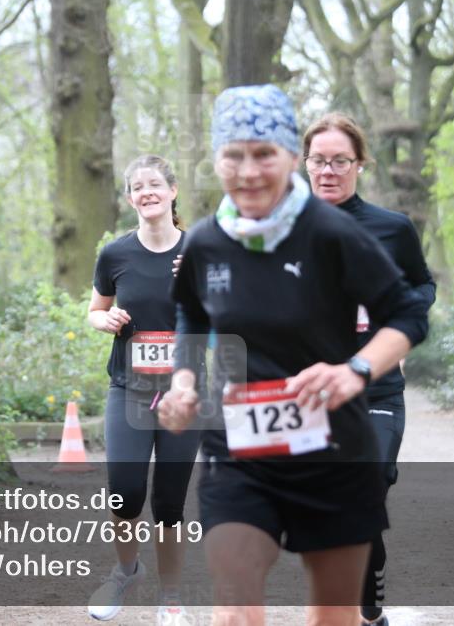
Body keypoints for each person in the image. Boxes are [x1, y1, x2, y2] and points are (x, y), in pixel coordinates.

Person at [158, 85, 427, 626]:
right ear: (216, 160)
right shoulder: (207, 241)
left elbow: (408, 314)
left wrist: (357, 369)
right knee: (234, 613)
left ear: (287, 157)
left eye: (264, 154)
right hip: (240, 449)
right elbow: (191, 314)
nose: (249, 171)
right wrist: (184, 379)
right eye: (234, 155)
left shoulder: (331, 233)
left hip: (331, 448)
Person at [303, 113, 436, 626]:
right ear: (305, 164)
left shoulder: (392, 229)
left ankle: (366, 603)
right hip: (310, 396)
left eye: (341, 160)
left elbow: (422, 288)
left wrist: (399, 331)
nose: (329, 170)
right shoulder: (280, 230)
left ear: (360, 164)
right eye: (319, 160)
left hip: (377, 389)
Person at [86, 155, 200, 625]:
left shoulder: (199, 252)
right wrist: (104, 319)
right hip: (129, 389)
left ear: (173, 192)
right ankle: (125, 571)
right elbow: (95, 310)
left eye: (156, 183)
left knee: (169, 505)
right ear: (130, 197)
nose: (147, 191)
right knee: (125, 493)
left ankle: (170, 598)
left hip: (185, 393)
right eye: (138, 186)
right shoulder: (116, 254)